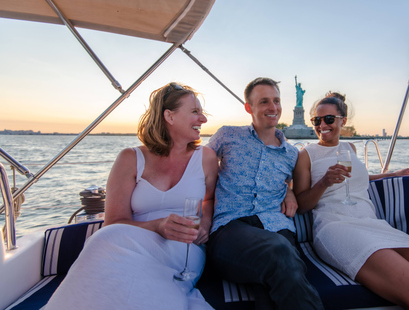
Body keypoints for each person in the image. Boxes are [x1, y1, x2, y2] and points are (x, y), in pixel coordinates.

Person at [293, 91, 409, 310]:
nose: (322, 125)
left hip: (373, 223)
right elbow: (302, 203)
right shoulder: (307, 154)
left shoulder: (349, 148)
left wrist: (392, 174)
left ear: (343, 121)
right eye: (317, 120)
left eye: (329, 119)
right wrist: (324, 182)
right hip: (336, 227)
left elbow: (358, 179)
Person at [45, 82, 218, 310]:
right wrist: (158, 226)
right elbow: (113, 223)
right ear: (169, 116)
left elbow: (209, 199)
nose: (203, 119)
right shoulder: (129, 158)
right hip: (129, 240)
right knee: (103, 239)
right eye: (195, 111)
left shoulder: (205, 157)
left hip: (183, 248)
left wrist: (205, 222)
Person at [206, 77, 324, 310]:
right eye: (264, 102)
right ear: (249, 108)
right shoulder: (227, 136)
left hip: (276, 227)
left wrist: (289, 191)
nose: (273, 108)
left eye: (277, 101)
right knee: (279, 252)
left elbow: (292, 184)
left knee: (271, 276)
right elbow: (197, 170)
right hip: (231, 228)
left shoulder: (291, 154)